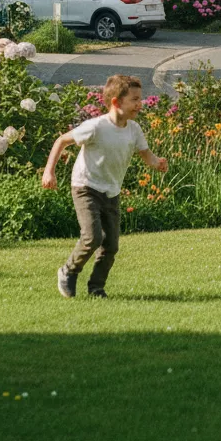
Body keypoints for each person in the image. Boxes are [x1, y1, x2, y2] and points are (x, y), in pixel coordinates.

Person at [42, 74, 167, 299]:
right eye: (135, 100)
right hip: (85, 186)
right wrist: (49, 171)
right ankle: (68, 271)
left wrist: (157, 163)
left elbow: (146, 155)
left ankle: (96, 288)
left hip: (111, 190)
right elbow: (62, 140)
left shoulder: (133, 129)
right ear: (116, 102)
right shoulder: (96, 127)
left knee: (111, 246)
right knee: (92, 237)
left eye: (140, 99)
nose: (140, 104)